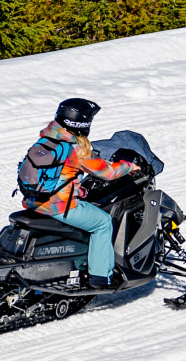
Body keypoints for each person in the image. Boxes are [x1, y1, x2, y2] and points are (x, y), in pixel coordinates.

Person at [16, 96, 133, 288]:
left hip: (34, 202)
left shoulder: (46, 139)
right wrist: (130, 166)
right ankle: (101, 277)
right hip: (59, 207)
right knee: (103, 223)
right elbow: (109, 172)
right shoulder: (74, 148)